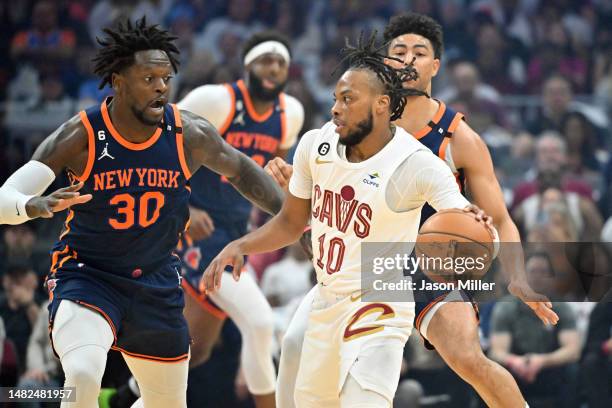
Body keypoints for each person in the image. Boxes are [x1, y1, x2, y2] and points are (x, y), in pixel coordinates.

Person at [268, 12, 560, 408]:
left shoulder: (460, 137)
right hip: (368, 261)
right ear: (384, 63)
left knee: (467, 359)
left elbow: (502, 219)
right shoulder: (355, 119)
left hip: (432, 263)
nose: (407, 60)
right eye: (398, 51)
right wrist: (295, 181)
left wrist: (518, 277)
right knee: (296, 341)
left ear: (435, 65)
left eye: (418, 53)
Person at [0, 18, 283, 408]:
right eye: (149, 78)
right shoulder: (81, 135)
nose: (161, 87)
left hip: (156, 281)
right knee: (82, 375)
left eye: (165, 78)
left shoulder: (188, 133)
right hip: (89, 276)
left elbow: (243, 171)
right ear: (118, 80)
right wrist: (30, 205)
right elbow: (5, 199)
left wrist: (292, 220)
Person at [203, 33, 495, 407]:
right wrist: (240, 244)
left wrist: (481, 231)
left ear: (381, 105)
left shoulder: (417, 164)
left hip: (381, 305)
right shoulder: (316, 144)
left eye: (348, 99)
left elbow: (461, 221)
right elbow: (292, 223)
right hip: (327, 299)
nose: (335, 109)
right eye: (335, 99)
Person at [174, 29, 304, 408]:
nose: (274, 68)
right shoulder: (216, 101)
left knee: (194, 352)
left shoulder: (289, 114)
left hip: (233, 230)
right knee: (259, 323)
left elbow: (268, 177)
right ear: (247, 66)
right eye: (266, 59)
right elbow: (159, 149)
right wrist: (181, 210)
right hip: (193, 227)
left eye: (281, 62)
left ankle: (125, 398)